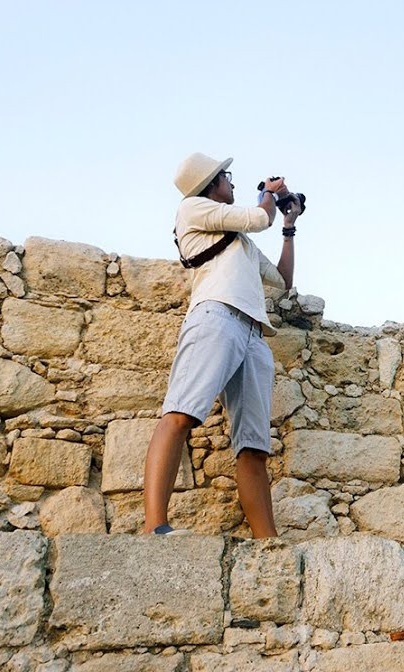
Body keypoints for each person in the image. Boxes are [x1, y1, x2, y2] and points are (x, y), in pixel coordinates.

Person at [140, 152, 302, 536]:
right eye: (227, 177)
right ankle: (154, 525)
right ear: (212, 183)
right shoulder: (192, 209)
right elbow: (259, 217)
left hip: (252, 333)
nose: (232, 183)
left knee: (254, 446)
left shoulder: (239, 240)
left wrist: (289, 226)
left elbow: (283, 280)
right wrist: (269, 193)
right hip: (216, 315)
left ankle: (268, 543)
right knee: (181, 413)